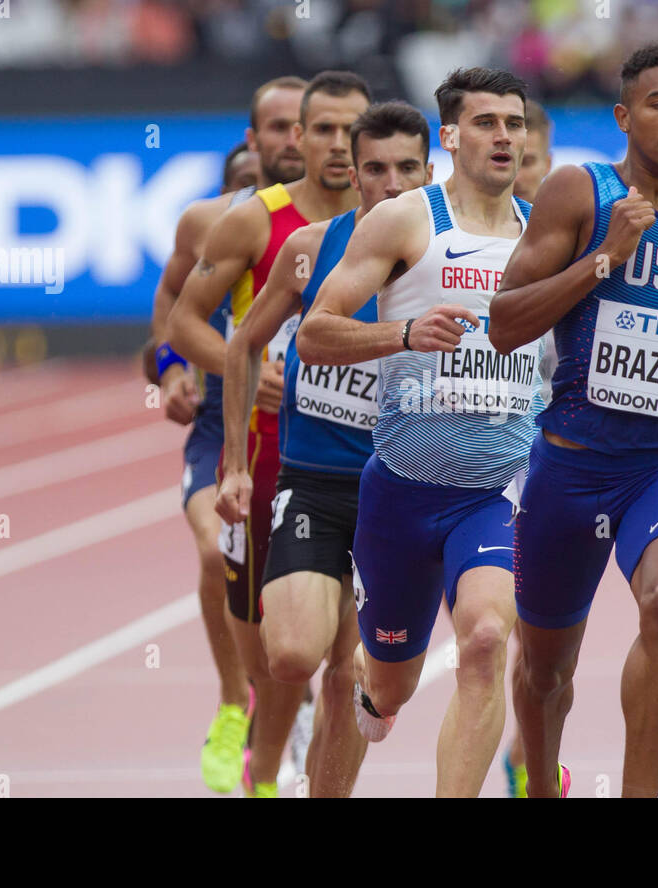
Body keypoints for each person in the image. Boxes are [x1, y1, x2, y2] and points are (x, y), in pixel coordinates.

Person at [489, 41, 658, 798]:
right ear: (623, 114)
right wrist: (606, 257)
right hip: (569, 468)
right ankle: (540, 786)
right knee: (543, 670)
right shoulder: (580, 193)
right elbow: (504, 322)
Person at [297, 67, 548, 797]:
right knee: (392, 683)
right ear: (450, 137)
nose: (503, 136)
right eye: (486, 122)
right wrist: (405, 333)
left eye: (515, 122)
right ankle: (374, 697)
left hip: (493, 492)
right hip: (401, 492)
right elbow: (315, 334)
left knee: (485, 639)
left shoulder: (544, 237)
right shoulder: (407, 220)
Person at [216, 101, 434, 797]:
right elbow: (245, 342)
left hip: (399, 489)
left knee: (352, 675)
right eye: (376, 169)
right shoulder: (311, 247)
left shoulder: (454, 261)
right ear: (355, 175)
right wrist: (236, 463)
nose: (392, 185)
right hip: (313, 484)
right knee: (290, 655)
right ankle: (266, 755)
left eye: (406, 168)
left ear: (430, 171)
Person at [167, 70, 371, 797]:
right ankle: (262, 763)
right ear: (298, 137)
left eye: (354, 130)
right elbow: (184, 319)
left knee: (351, 663)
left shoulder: (400, 223)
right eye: (320, 130)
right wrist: (245, 370)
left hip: (366, 462)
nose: (338, 146)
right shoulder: (258, 220)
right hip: (264, 460)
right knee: (275, 660)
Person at [143, 75, 306, 794]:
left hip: (325, 436)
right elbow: (169, 315)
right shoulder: (210, 222)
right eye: (278, 127)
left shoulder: (365, 222)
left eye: (310, 125)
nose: (294, 140)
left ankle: (286, 713)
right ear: (253, 138)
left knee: (306, 615)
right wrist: (176, 370)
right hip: (226, 426)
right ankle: (233, 703)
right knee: (218, 549)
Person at [503, 97, 554, 797]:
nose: (519, 171)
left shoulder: (570, 237)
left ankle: (524, 759)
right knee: (493, 626)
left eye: (532, 159)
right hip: (459, 447)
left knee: (525, 631)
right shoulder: (443, 233)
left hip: (545, 448)